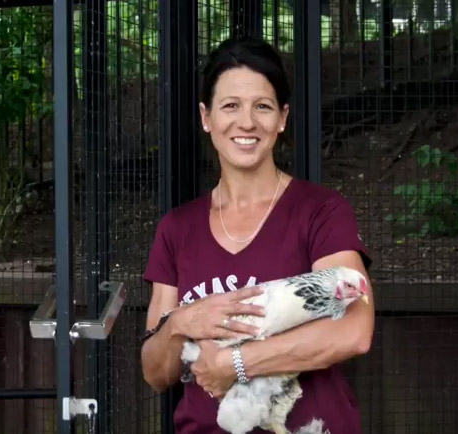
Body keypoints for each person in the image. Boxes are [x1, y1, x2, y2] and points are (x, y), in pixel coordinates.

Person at [140, 36, 375, 434]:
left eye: (262, 106)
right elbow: (155, 372)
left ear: (281, 118)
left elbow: (354, 332)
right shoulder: (177, 229)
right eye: (230, 105)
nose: (246, 122)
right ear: (206, 117)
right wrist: (183, 321)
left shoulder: (320, 212)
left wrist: (236, 364)